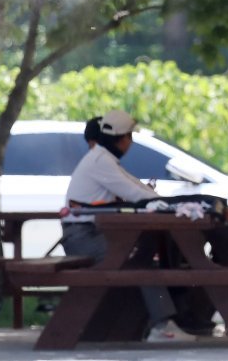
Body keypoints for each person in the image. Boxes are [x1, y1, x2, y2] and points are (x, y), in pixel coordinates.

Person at [61, 109, 196, 343]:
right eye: (130, 137)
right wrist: (170, 204)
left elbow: (137, 188)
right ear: (123, 139)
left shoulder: (104, 159)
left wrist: (162, 201)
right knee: (141, 265)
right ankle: (162, 327)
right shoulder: (100, 162)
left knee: (146, 259)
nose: (130, 143)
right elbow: (136, 194)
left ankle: (168, 320)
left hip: (93, 235)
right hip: (84, 238)